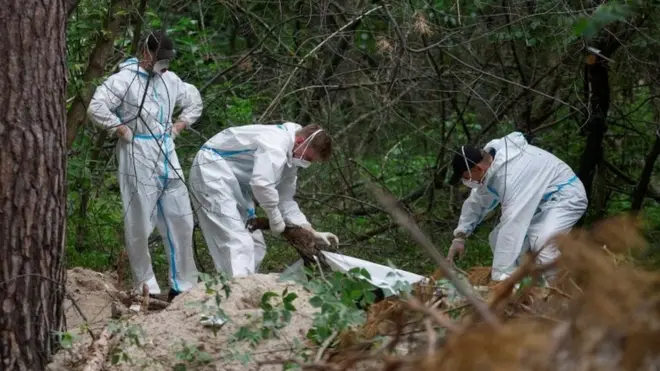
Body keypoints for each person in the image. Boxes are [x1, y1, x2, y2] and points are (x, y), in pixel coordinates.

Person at [87, 31, 203, 300]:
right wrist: (121, 129)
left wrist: (179, 126)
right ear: (146, 53)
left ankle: (183, 285)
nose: (164, 66)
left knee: (182, 218)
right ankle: (146, 286)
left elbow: (194, 100)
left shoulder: (170, 80)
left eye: (167, 61)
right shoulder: (123, 80)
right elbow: (97, 107)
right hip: (137, 151)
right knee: (140, 220)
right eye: (160, 59)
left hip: (166, 150)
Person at [188, 122, 338, 278]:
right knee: (237, 239)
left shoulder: (291, 157)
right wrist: (274, 218)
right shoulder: (275, 143)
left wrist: (310, 230)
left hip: (236, 184)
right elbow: (262, 183)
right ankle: (236, 291)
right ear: (300, 141)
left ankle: (244, 285)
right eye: (308, 158)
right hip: (212, 172)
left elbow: (285, 199)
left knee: (255, 243)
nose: (306, 163)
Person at [446, 131, 588, 282]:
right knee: (496, 238)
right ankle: (526, 287)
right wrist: (460, 236)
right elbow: (477, 201)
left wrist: (499, 276)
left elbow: (513, 222)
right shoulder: (493, 169)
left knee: (542, 242)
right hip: (542, 202)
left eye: (467, 177)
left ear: (478, 169)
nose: (467, 182)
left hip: (566, 196)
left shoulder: (511, 175)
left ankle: (556, 293)